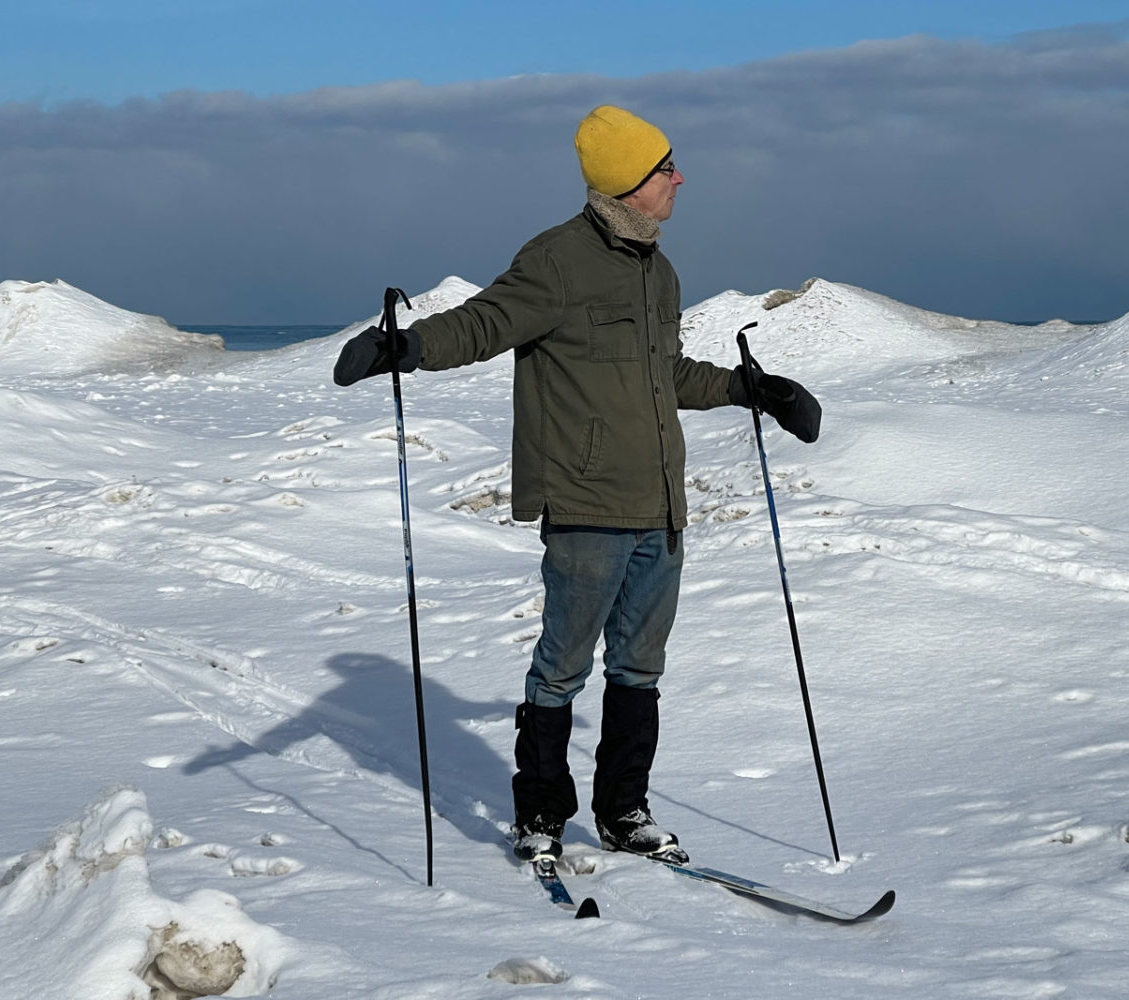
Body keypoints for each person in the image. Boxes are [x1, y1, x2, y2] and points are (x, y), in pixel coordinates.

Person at [334, 105, 821, 866]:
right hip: (588, 502)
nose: (679, 178)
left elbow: (664, 374)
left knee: (641, 668)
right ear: (629, 183)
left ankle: (624, 810)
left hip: (661, 507)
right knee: (562, 665)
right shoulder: (557, 260)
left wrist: (751, 389)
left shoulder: (659, 271)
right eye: (666, 168)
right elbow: (486, 323)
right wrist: (408, 347)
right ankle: (541, 817)